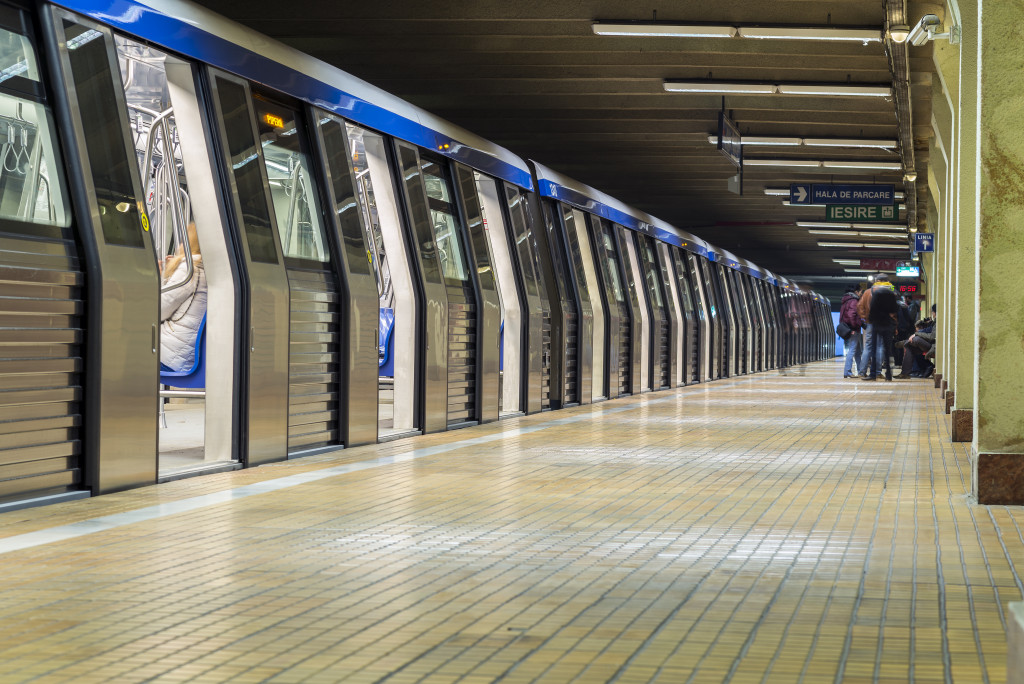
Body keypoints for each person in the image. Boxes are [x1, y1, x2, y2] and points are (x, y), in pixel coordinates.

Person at [160, 222, 207, 372]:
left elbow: (159, 309)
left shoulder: (189, 268)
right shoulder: (206, 269)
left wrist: (161, 275)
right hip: (186, 352)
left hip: (171, 353)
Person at [861, 274, 898, 381]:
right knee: (886, 349)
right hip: (887, 323)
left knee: (873, 348)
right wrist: (894, 324)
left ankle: (873, 374)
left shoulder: (873, 292)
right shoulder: (892, 292)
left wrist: (869, 320)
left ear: (878, 281)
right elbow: (895, 309)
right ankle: (888, 375)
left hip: (876, 323)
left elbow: (872, 308)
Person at [838, 284, 864, 378]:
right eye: (860, 291)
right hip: (853, 329)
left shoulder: (846, 300)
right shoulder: (853, 301)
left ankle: (861, 371)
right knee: (852, 350)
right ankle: (847, 371)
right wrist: (853, 327)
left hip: (850, 327)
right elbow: (851, 315)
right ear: (856, 291)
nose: (861, 294)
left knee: (857, 351)